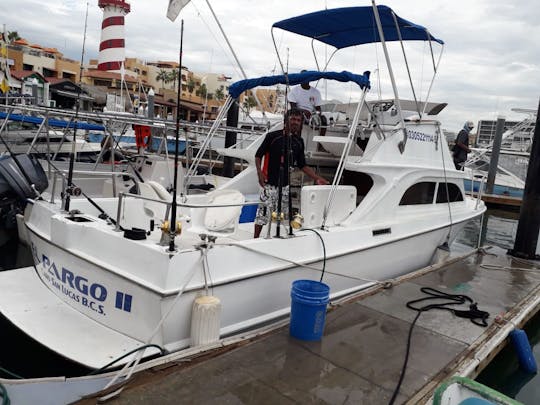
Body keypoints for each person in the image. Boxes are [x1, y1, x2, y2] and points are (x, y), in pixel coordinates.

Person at [253, 109, 329, 238]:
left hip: (286, 186)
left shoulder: (299, 141)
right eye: (293, 119)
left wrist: (317, 178)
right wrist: (259, 173)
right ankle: (255, 238)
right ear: (286, 120)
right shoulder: (272, 136)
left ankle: (275, 237)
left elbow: (302, 165)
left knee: (281, 215)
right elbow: (258, 155)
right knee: (262, 215)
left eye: (298, 120)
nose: (295, 122)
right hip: (269, 184)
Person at [288, 70, 327, 137]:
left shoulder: (316, 92)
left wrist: (316, 115)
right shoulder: (294, 91)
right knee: (299, 117)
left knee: (323, 119)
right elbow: (293, 107)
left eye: (306, 77)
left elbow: (318, 108)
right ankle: (298, 139)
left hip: (311, 115)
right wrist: (304, 111)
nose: (304, 79)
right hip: (298, 113)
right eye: (302, 77)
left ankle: (319, 144)